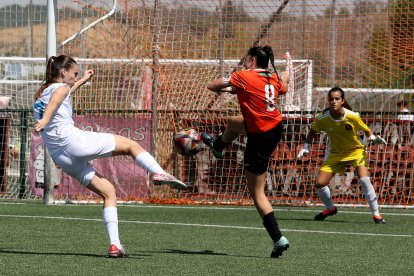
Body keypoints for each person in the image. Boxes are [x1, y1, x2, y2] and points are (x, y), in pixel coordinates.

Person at [33, 55, 187, 258]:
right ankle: (158, 173)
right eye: (75, 73)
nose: (75, 76)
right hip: (74, 142)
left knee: (108, 192)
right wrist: (45, 120)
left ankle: (115, 245)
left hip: (61, 156)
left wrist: (82, 80)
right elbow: (58, 98)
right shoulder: (59, 90)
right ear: (63, 72)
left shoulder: (41, 95)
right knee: (131, 145)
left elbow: (62, 95)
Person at [201, 45, 290, 258]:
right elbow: (282, 86)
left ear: (251, 60)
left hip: (260, 135)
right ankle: (218, 147)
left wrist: (228, 82)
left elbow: (211, 86)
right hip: (273, 127)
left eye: (244, 58)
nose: (242, 61)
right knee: (233, 123)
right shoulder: (271, 79)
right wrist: (287, 74)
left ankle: (278, 239)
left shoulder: (243, 75)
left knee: (257, 192)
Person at [296, 87, 386, 224]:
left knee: (364, 180)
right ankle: (330, 208)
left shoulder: (352, 116)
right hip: (336, 153)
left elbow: (366, 130)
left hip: (355, 151)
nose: (334, 101)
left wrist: (373, 138)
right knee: (319, 184)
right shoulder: (322, 118)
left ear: (342, 101)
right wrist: (306, 147)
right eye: (331, 99)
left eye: (337, 99)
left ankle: (376, 215)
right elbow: (312, 131)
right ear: (328, 101)